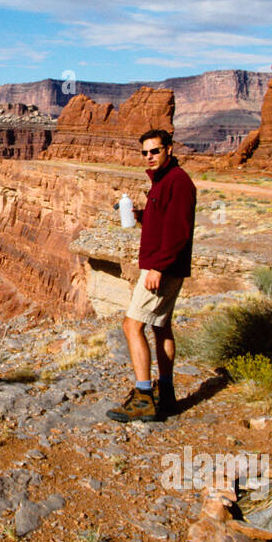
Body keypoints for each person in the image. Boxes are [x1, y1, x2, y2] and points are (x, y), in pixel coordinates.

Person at [107, 128, 197, 422]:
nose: (149, 157)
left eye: (155, 151)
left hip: (163, 268)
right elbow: (163, 220)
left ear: (169, 149)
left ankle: (144, 396)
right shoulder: (162, 181)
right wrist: (139, 215)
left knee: (131, 326)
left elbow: (179, 232)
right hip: (165, 265)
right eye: (145, 152)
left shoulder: (178, 182)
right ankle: (166, 393)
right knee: (161, 326)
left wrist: (158, 267)